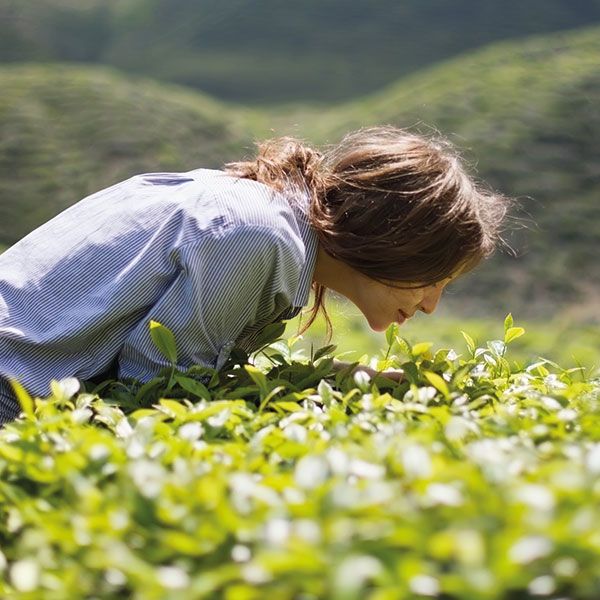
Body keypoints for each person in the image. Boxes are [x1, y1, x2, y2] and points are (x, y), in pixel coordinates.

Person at [0, 126, 508, 424]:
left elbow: (182, 373)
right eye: (434, 277)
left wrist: (349, 381)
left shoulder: (262, 217)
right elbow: (157, 392)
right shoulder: (256, 237)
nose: (431, 305)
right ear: (398, 240)